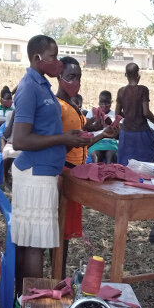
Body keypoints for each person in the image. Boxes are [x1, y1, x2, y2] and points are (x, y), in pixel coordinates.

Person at [11, 35, 91, 294]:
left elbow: (45, 129)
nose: (57, 62)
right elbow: (20, 139)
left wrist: (71, 139)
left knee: (30, 243)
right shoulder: (29, 87)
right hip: (35, 174)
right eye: (53, 57)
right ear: (37, 58)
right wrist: (62, 138)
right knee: (34, 244)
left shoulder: (42, 85)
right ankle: (33, 304)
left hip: (41, 172)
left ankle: (24, 301)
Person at [55, 57, 118, 276]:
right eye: (71, 76)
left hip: (75, 172)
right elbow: (63, 142)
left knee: (64, 231)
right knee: (59, 230)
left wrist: (101, 133)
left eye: (79, 77)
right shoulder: (57, 107)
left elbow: (80, 141)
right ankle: (57, 275)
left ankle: (59, 274)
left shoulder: (72, 105)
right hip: (63, 171)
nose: (76, 82)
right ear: (59, 77)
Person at [115, 62, 154, 165]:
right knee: (143, 166)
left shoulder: (121, 91)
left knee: (125, 165)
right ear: (138, 75)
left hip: (126, 134)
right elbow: (146, 112)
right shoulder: (143, 90)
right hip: (141, 133)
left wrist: (129, 114)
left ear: (125, 75)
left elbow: (117, 114)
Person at [86, 90, 119, 164]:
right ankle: (94, 173)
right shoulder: (92, 112)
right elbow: (85, 127)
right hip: (95, 140)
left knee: (110, 155)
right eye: (101, 102)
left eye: (107, 102)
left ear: (111, 102)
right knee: (96, 156)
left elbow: (117, 134)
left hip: (110, 141)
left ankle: (108, 172)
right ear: (98, 102)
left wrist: (113, 128)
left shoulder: (114, 114)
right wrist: (94, 126)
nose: (104, 105)